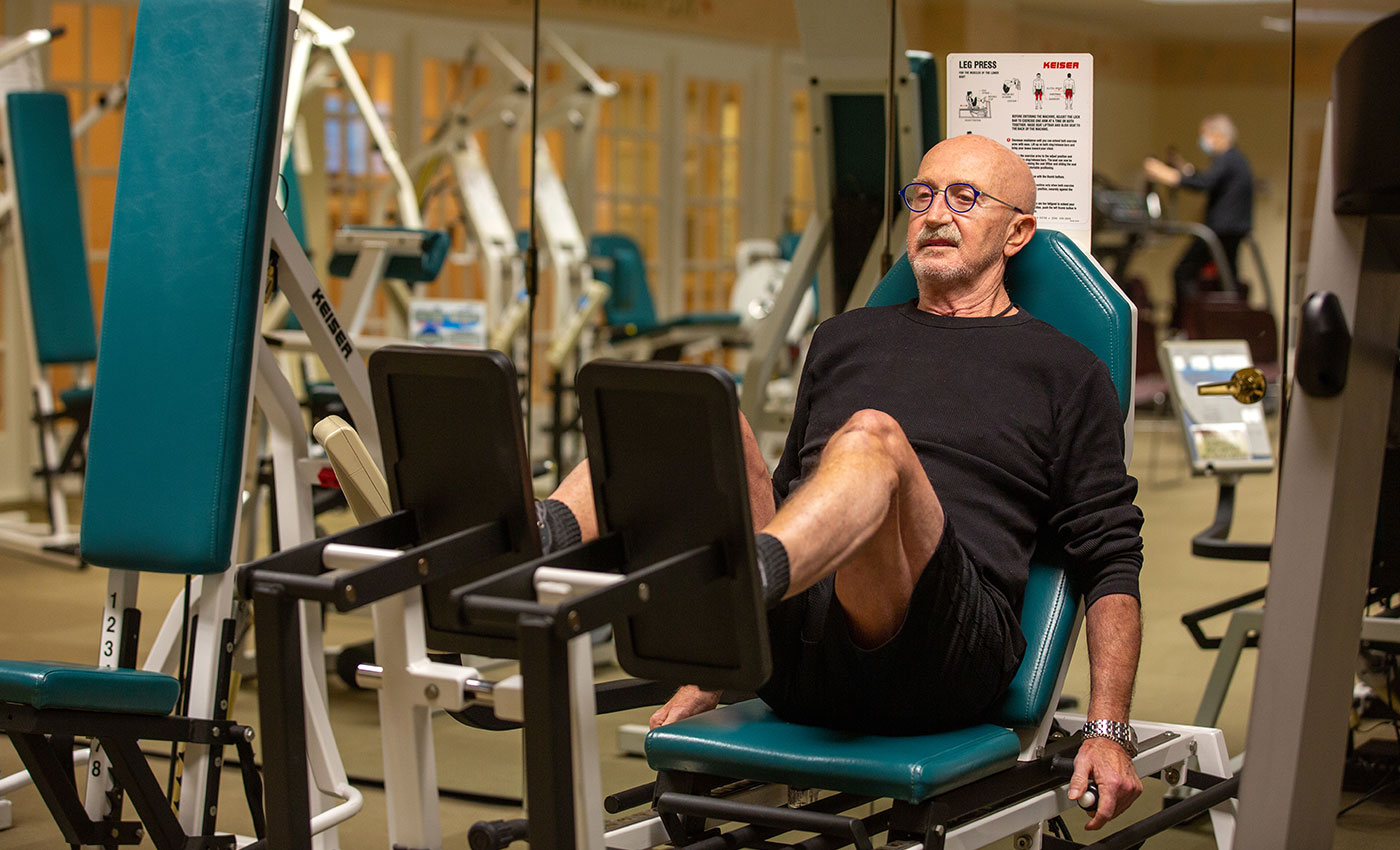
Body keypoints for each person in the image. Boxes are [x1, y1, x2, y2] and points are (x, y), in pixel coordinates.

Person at [540, 134, 1145, 830]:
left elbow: (1109, 558)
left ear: (1018, 233)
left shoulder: (1066, 370)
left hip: (939, 661)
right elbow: (789, 490)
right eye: (922, 196)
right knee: (690, 411)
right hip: (799, 657)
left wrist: (1108, 729)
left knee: (870, 440)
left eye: (964, 197)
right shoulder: (842, 338)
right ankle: (532, 540)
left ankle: (740, 598)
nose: (937, 214)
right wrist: (716, 674)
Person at [1143, 113, 1254, 330]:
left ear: (1218, 135)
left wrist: (1167, 175)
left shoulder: (1227, 158)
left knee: (1183, 272)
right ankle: (1215, 325)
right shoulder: (1236, 160)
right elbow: (1211, 180)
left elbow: (1204, 183)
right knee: (1227, 280)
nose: (1204, 140)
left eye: (1205, 135)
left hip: (1220, 232)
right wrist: (1184, 170)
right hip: (1230, 231)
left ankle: (1186, 327)